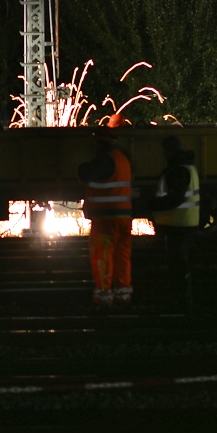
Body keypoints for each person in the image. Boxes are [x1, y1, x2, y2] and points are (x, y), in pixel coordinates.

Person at [78, 125, 134, 306]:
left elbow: (84, 173)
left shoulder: (105, 160)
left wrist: (82, 165)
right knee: (121, 256)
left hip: (106, 219)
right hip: (123, 217)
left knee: (102, 255)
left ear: (100, 143)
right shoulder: (122, 159)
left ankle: (104, 294)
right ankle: (123, 292)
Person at [149, 135, 201, 312]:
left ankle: (182, 302)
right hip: (183, 224)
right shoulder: (188, 167)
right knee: (181, 265)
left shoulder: (178, 171)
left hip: (177, 225)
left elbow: (174, 199)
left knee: (178, 266)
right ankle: (183, 301)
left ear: (168, 151)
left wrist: (152, 205)